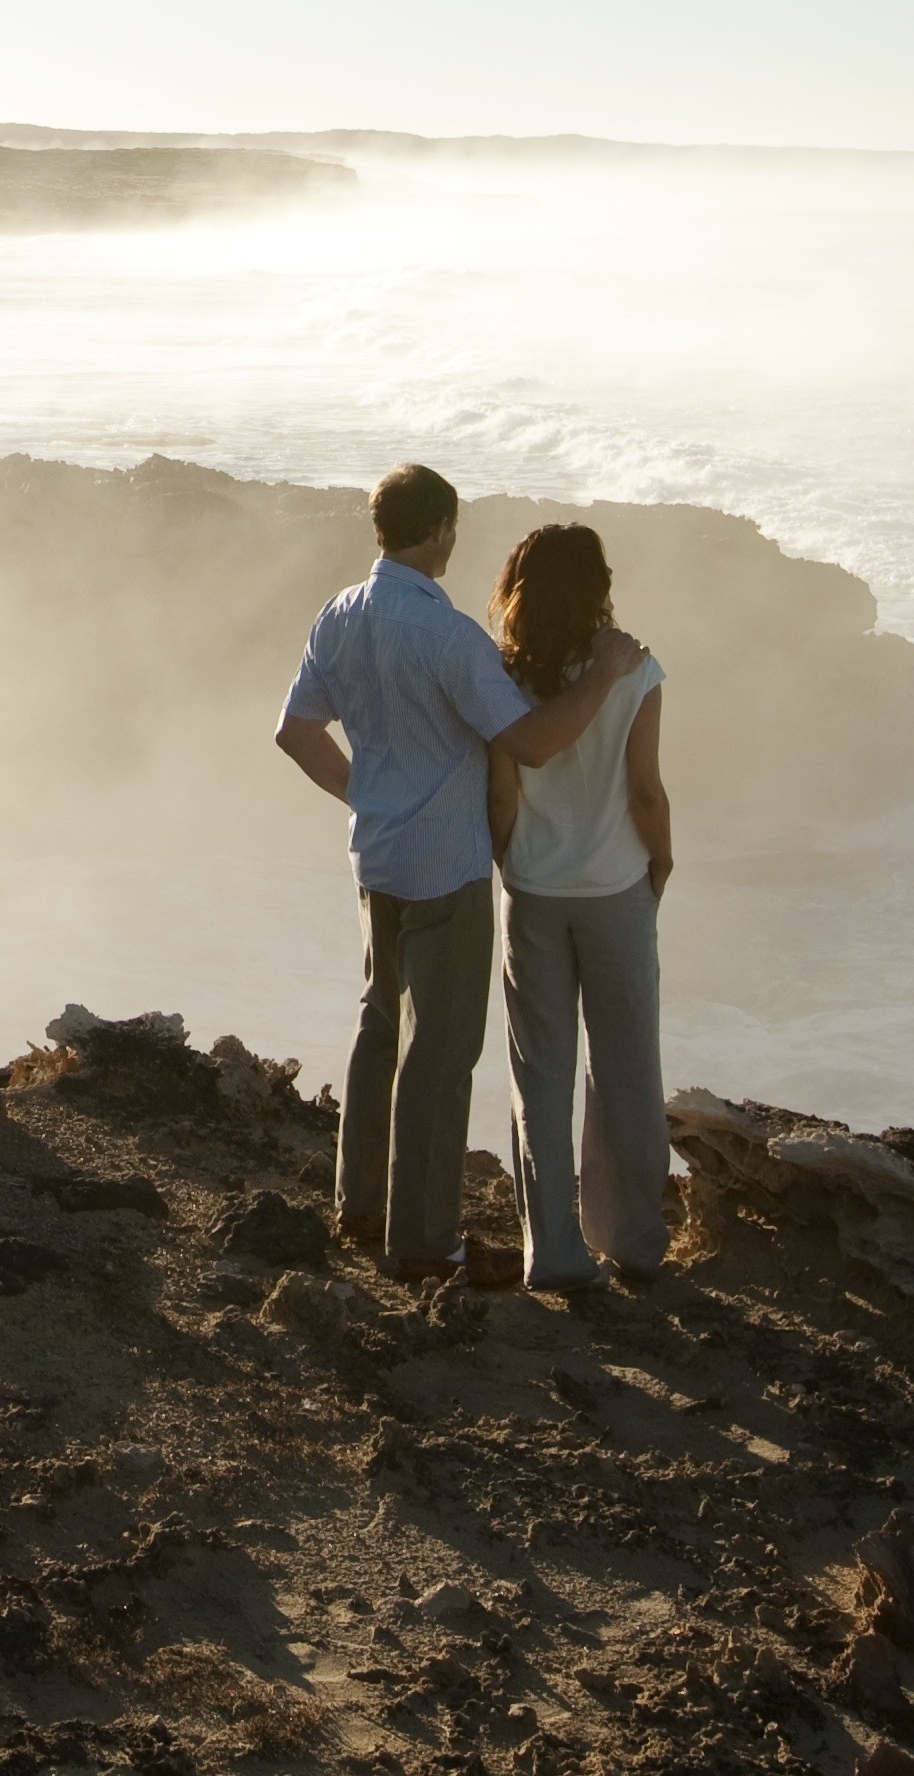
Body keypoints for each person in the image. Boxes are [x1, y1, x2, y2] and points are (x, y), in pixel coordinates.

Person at [274, 464, 643, 1281]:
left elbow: (296, 733)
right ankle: (426, 1241)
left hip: (375, 854)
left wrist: (363, 793)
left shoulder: (340, 613)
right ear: (438, 528)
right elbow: (535, 743)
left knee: (379, 1027)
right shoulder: (449, 638)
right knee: (440, 1056)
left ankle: (361, 1207)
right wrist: (607, 673)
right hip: (445, 865)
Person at [489, 518, 672, 1298]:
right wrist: (660, 857)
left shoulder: (499, 675)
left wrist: (509, 863)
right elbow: (644, 789)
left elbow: (501, 792)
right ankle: (633, 1241)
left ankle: (555, 1253)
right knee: (627, 1069)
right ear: (598, 586)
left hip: (533, 890)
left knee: (541, 1074)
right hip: (615, 890)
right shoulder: (633, 670)